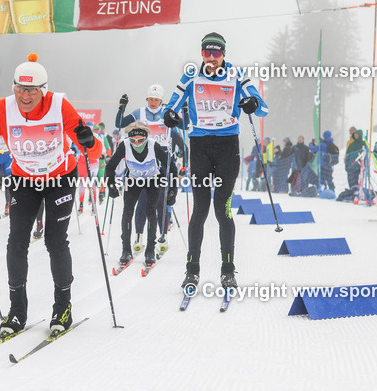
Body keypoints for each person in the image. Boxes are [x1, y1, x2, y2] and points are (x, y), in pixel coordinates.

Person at [0, 54, 102, 335]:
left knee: (55, 240)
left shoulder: (59, 105)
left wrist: (90, 141)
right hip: (23, 181)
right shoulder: (0, 111)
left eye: (32, 90)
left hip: (60, 179)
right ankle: (17, 311)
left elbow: (93, 149)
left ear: (44, 89)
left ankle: (62, 308)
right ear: (13, 86)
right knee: (16, 242)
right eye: (19, 88)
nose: (25, 96)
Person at [162, 33, 268, 291]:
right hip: (199, 146)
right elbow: (171, 106)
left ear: (223, 54)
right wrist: (169, 115)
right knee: (199, 210)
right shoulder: (190, 76)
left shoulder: (236, 74)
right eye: (207, 53)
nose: (211, 59)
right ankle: (192, 270)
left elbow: (262, 108)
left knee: (222, 209)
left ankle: (228, 271)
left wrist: (252, 102)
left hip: (227, 147)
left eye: (216, 53)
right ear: (202, 54)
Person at [115, 84, 185, 253]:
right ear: (147, 99)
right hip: (143, 160)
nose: (153, 102)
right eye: (151, 99)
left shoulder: (168, 113)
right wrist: (121, 108)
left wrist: (186, 110)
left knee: (161, 200)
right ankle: (139, 235)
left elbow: (185, 126)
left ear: (161, 100)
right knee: (142, 200)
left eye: (156, 100)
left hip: (162, 161)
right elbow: (119, 124)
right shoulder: (139, 113)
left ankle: (163, 235)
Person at [105, 121, 174, 270]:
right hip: (133, 180)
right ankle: (126, 250)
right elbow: (110, 167)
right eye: (133, 140)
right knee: (127, 212)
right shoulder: (124, 145)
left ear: (146, 137)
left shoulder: (153, 145)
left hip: (153, 179)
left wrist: (172, 190)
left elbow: (171, 167)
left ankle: (150, 250)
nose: (136, 143)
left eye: (140, 140)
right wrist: (111, 186)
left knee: (151, 211)